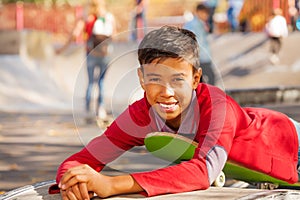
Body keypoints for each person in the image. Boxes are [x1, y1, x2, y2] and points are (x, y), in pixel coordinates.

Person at [50, 25, 300, 200]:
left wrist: (111, 184)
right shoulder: (141, 115)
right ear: (141, 79)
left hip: (289, 143)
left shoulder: (216, 105)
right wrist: (72, 182)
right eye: (155, 79)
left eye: (178, 80)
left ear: (195, 79)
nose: (166, 92)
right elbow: (80, 160)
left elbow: (203, 172)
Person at [57, 0, 116, 119]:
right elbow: (114, 35)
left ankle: (88, 109)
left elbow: (74, 35)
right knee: (101, 82)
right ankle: (100, 108)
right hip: (106, 54)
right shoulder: (109, 17)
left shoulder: (86, 18)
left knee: (90, 82)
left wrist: (62, 49)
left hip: (91, 54)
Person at [183, 3, 216, 85]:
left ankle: (203, 96)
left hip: (203, 57)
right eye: (205, 13)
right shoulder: (193, 25)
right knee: (209, 79)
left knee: (203, 80)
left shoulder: (200, 23)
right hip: (199, 58)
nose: (206, 16)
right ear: (199, 12)